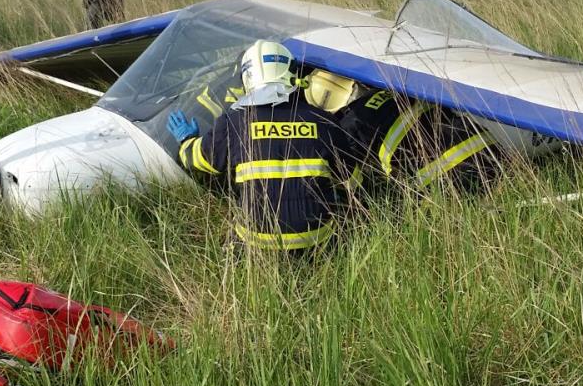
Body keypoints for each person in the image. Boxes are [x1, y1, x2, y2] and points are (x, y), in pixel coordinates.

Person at [168, 41, 363, 252]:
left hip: (255, 240)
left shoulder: (234, 123)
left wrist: (186, 139)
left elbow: (194, 160)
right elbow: (352, 182)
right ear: (293, 74)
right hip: (316, 239)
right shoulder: (323, 121)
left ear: (247, 78)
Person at [333, 80, 501, 192]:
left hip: (447, 176)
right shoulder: (401, 87)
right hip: (491, 148)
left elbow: (348, 177)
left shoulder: (353, 122)